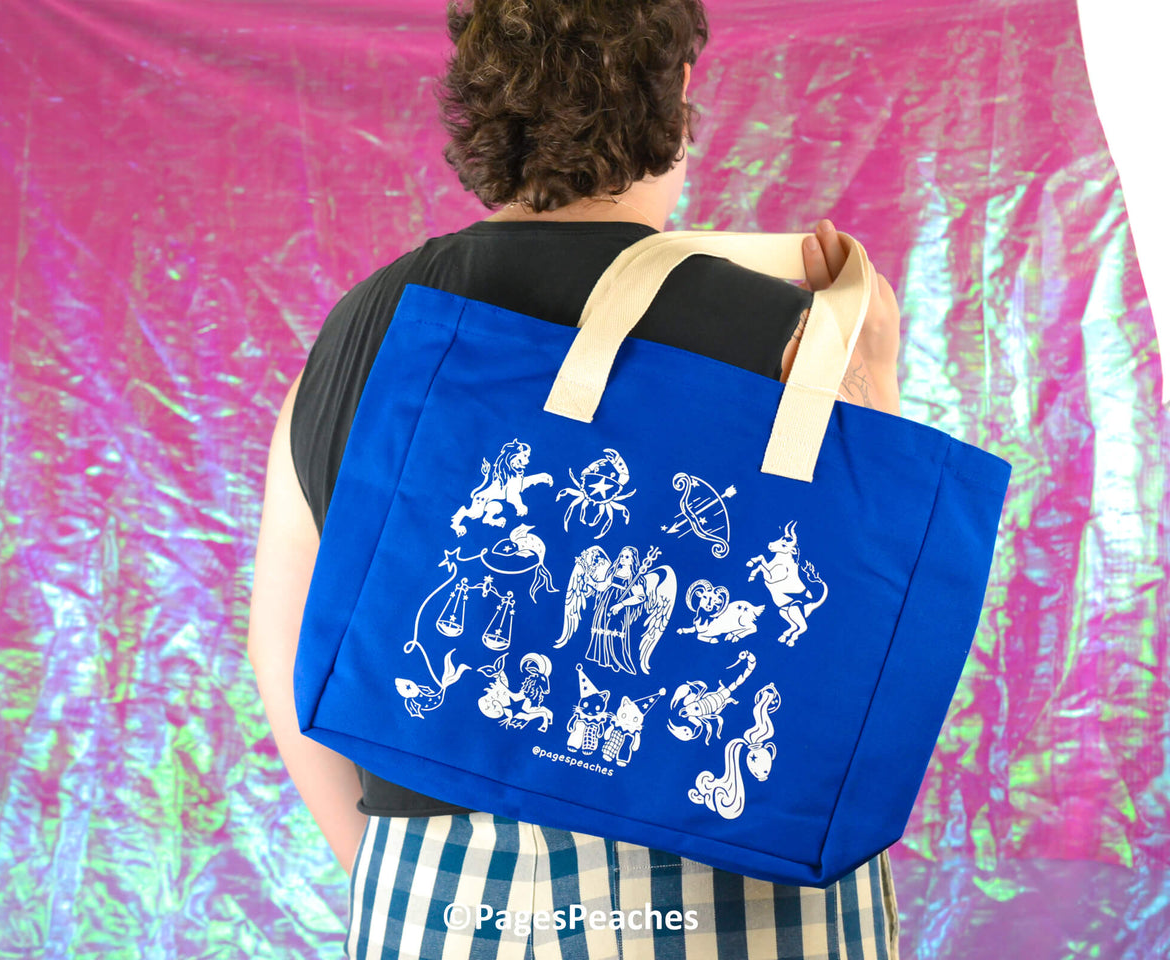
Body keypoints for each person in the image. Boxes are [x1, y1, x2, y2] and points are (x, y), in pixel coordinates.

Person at [247, 0, 903, 957]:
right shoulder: (794, 336)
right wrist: (869, 363)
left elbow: (286, 653)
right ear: (674, 95)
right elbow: (864, 661)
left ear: (485, 102)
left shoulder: (361, 333)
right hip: (733, 891)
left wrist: (399, 883)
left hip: (436, 887)